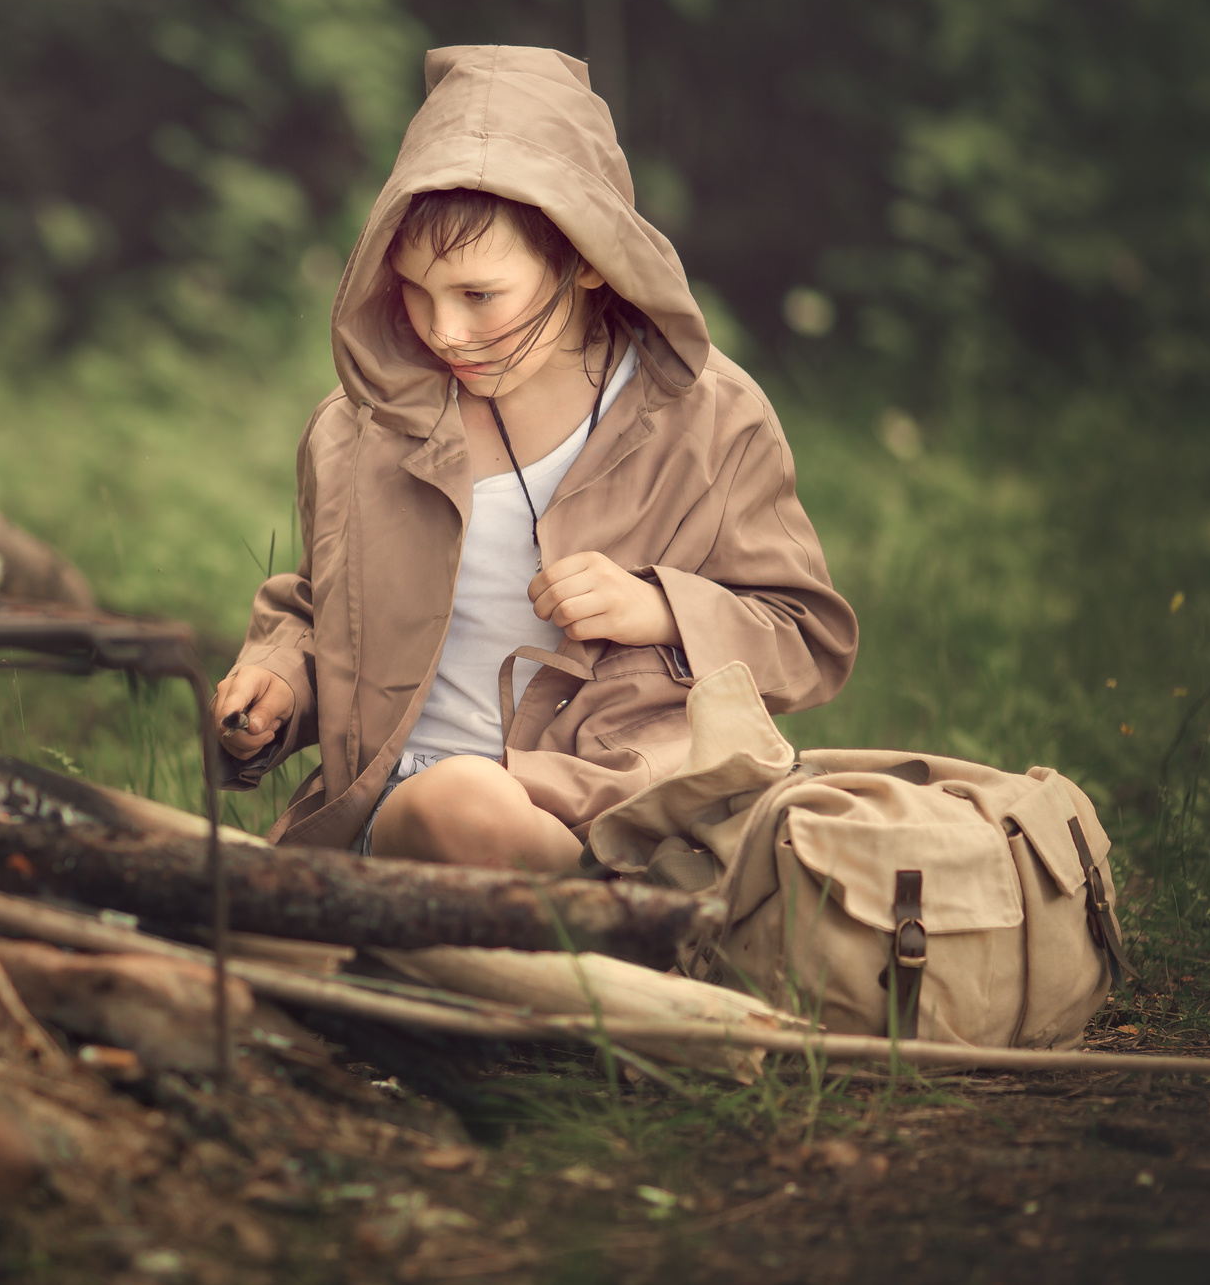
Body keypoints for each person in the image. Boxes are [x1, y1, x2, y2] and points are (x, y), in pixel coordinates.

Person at [213, 46, 857, 871]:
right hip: (399, 811)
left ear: (586, 257)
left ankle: (603, 919)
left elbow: (808, 636)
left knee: (486, 811)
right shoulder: (360, 429)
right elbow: (319, 610)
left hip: (615, 815)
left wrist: (660, 609)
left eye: (480, 295)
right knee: (456, 802)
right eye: (415, 289)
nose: (443, 331)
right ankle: (607, 941)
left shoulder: (709, 419)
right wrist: (280, 683)